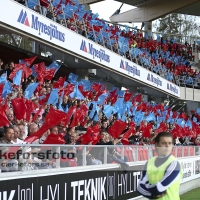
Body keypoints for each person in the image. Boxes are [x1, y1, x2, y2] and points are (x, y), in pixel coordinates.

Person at [137, 132, 182, 199]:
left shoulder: (174, 163)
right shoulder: (149, 163)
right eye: (164, 143)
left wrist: (146, 187)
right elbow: (139, 188)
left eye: (170, 143)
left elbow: (159, 188)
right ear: (157, 145)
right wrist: (153, 195)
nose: (167, 146)